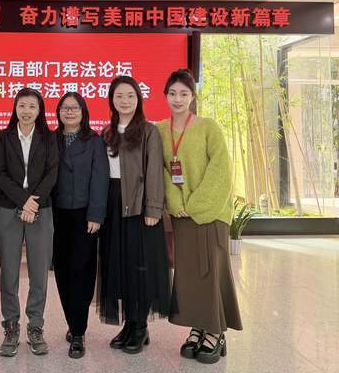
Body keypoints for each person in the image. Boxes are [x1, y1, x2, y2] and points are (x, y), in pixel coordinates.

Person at [158, 69, 242, 365]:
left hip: (210, 212)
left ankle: (215, 331)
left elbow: (220, 170)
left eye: (184, 93)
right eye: (172, 93)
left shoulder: (208, 127)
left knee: (210, 270)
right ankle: (198, 325)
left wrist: (196, 206)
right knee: (189, 274)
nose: (177, 99)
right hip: (181, 213)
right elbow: (163, 171)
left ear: (193, 96)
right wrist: (177, 202)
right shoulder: (160, 130)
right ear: (165, 96)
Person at [97, 76, 171, 355]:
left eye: (130, 95)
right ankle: (129, 323)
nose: (124, 101)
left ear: (138, 99)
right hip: (113, 204)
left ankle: (140, 326)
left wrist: (153, 208)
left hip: (139, 206)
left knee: (140, 267)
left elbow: (154, 171)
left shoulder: (149, 131)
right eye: (119, 96)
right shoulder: (107, 132)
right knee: (120, 266)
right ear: (112, 100)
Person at [0, 88, 58, 357]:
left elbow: (52, 172)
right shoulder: (3, 137)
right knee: (8, 272)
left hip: (41, 209)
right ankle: (11, 326)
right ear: (15, 108)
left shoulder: (49, 137)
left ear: (39, 110)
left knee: (39, 272)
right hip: (9, 209)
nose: (27, 111)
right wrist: (24, 201)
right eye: (22, 106)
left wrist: (34, 202)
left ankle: (35, 326)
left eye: (32, 106)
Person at [52, 92, 109, 359]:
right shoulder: (50, 139)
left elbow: (100, 179)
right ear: (58, 112)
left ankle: (78, 332)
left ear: (83, 112)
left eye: (75, 108)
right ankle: (73, 321)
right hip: (56, 214)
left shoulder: (94, 141)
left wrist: (96, 215)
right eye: (65, 108)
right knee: (63, 271)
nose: (70, 112)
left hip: (85, 216)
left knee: (82, 271)